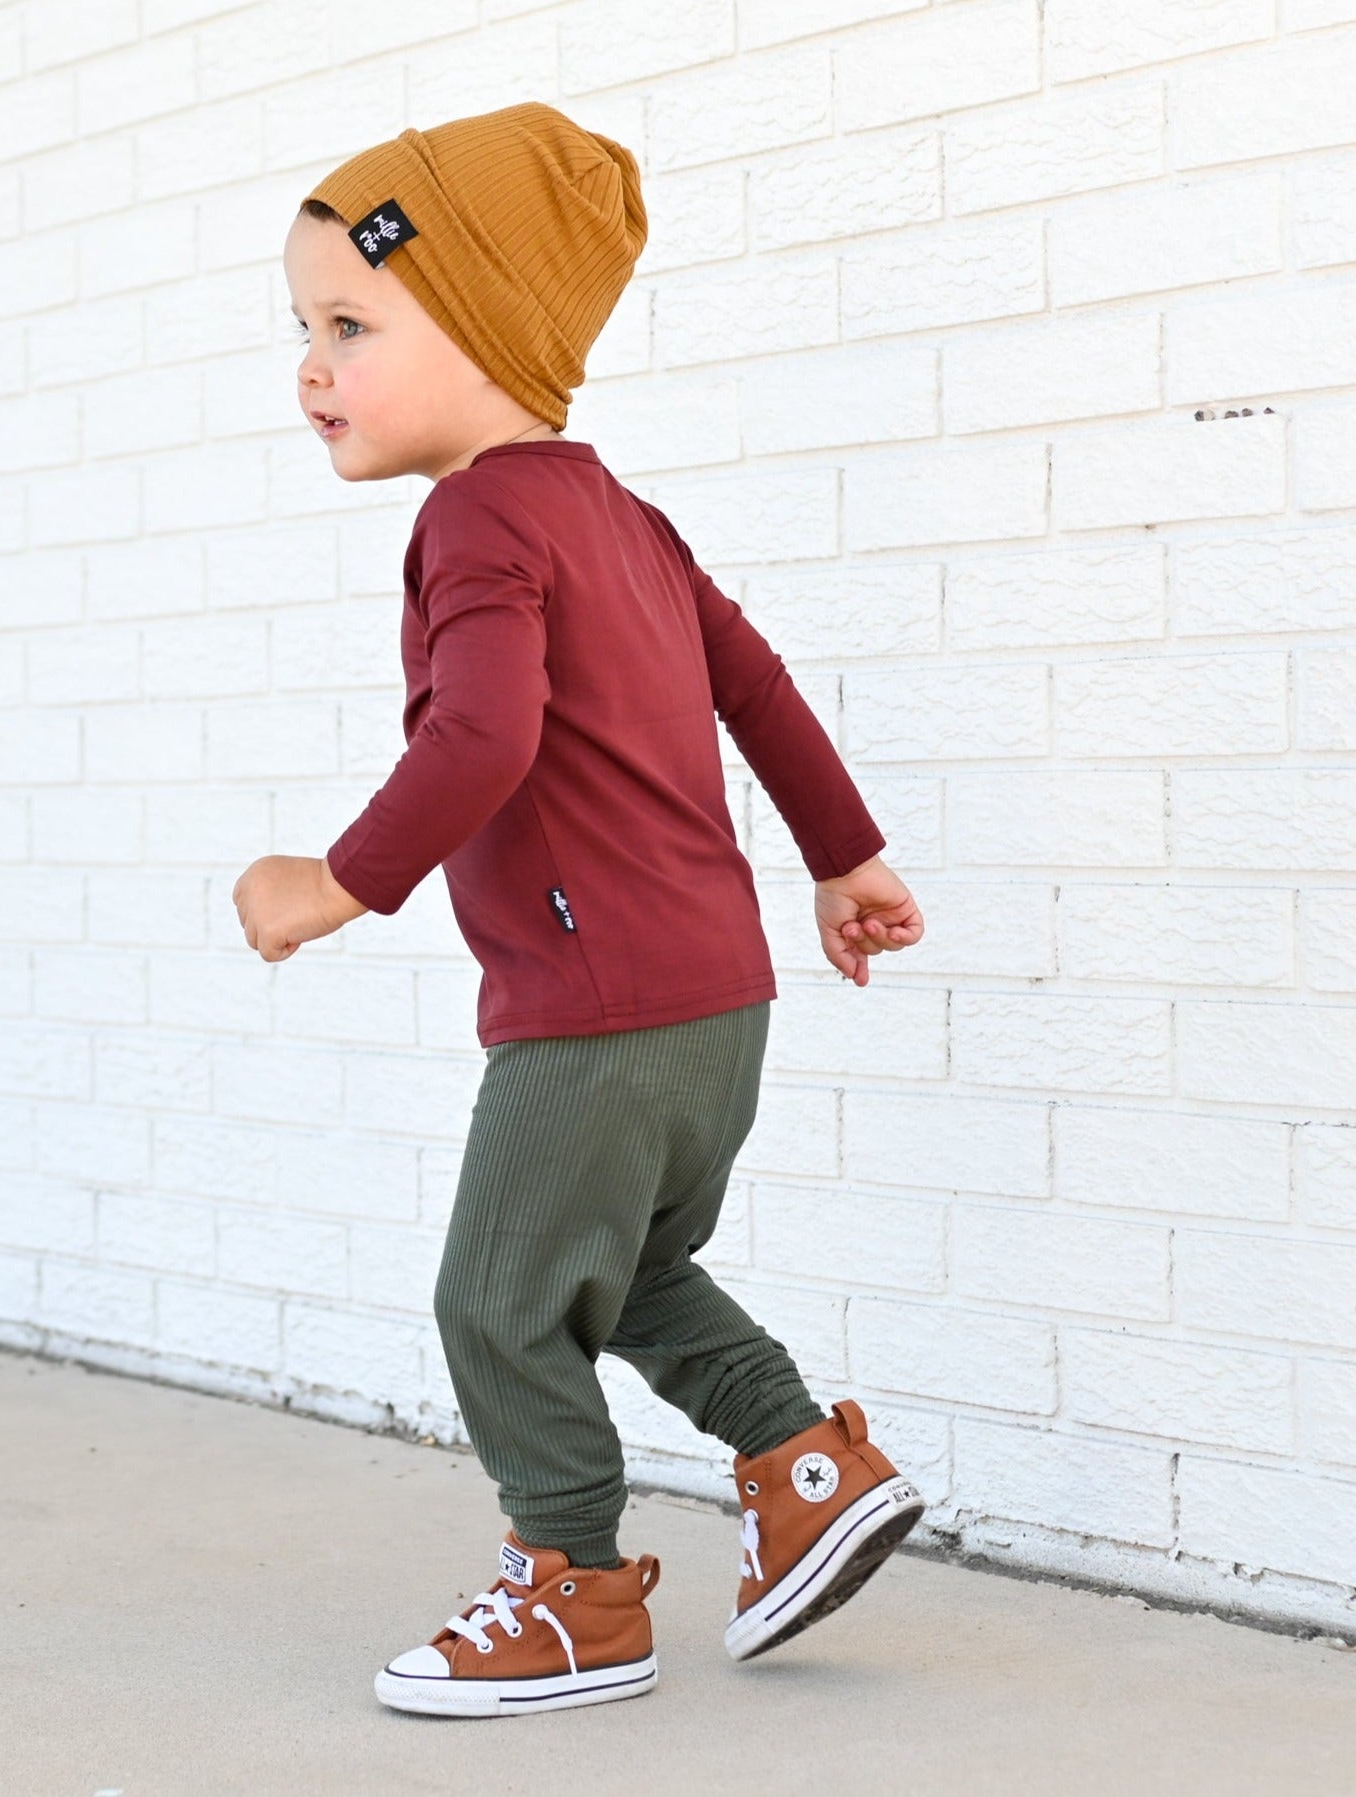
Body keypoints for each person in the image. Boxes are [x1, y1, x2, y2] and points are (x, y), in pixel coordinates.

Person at [234, 101, 927, 1720]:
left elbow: (484, 733)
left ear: (483, 327)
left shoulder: (473, 515)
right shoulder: (621, 513)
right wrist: (844, 856)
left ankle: (571, 1595)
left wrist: (330, 885)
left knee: (498, 1296)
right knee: (612, 1273)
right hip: (718, 997)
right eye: (302, 330)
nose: (310, 367)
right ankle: (804, 1469)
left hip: (594, 1013)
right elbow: (752, 685)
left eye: (349, 323)